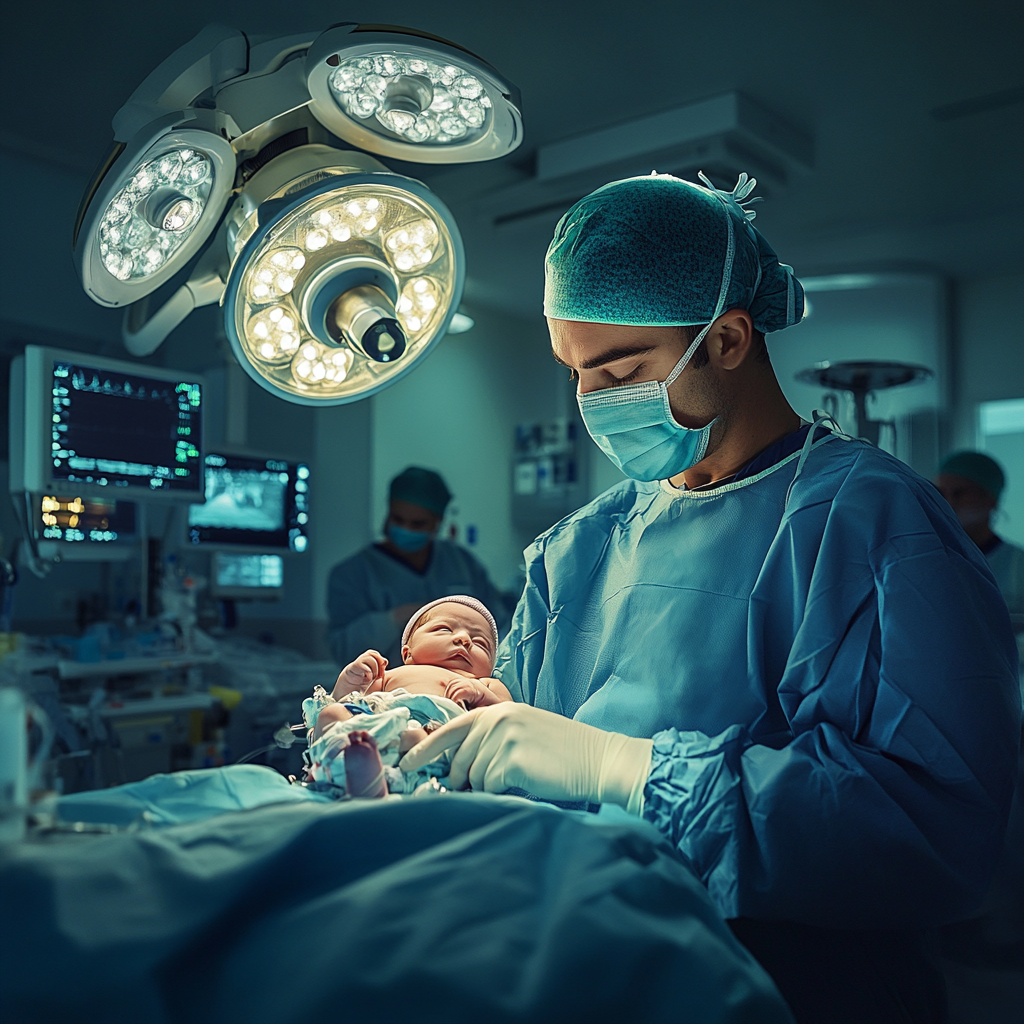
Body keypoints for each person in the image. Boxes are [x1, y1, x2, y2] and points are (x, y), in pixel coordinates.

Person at [402, 172, 1021, 1022]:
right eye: (575, 371)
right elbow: (516, 764)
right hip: (593, 972)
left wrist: (626, 770)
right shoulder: (576, 550)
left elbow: (931, 827)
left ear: (729, 339)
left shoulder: (875, 524)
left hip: (805, 989)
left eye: (620, 369)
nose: (591, 401)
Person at [305, 596, 511, 797]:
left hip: (434, 737)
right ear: (407, 653)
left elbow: (510, 718)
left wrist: (481, 695)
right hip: (375, 730)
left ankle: (375, 781)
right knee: (331, 714)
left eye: (480, 642)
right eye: (444, 629)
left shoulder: (485, 683)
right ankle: (334, 767)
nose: (464, 640)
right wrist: (350, 681)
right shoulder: (389, 675)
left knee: (415, 737)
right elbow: (353, 703)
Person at [326, 467, 514, 668]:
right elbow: (342, 650)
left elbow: (498, 624)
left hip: (464, 686)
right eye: (398, 520)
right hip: (389, 689)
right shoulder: (351, 574)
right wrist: (395, 618)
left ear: (437, 522)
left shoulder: (461, 563)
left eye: (417, 524)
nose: (406, 529)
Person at [935, 450, 1024, 617]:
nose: (949, 503)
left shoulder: (1017, 565)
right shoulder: (930, 558)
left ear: (991, 498)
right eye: (940, 494)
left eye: (961, 493)